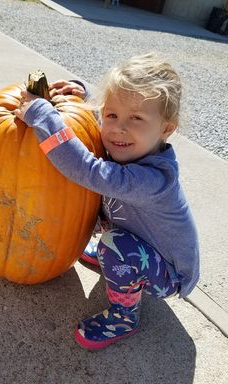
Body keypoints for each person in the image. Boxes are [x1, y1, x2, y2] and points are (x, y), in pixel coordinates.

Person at [14, 53, 200, 350]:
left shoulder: (153, 180)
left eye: (136, 119)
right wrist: (82, 95)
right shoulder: (131, 142)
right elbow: (102, 118)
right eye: (111, 114)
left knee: (117, 246)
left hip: (168, 273)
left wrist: (43, 116)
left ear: (166, 129)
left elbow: (87, 170)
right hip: (143, 244)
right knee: (112, 243)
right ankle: (112, 257)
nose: (117, 128)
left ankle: (124, 317)